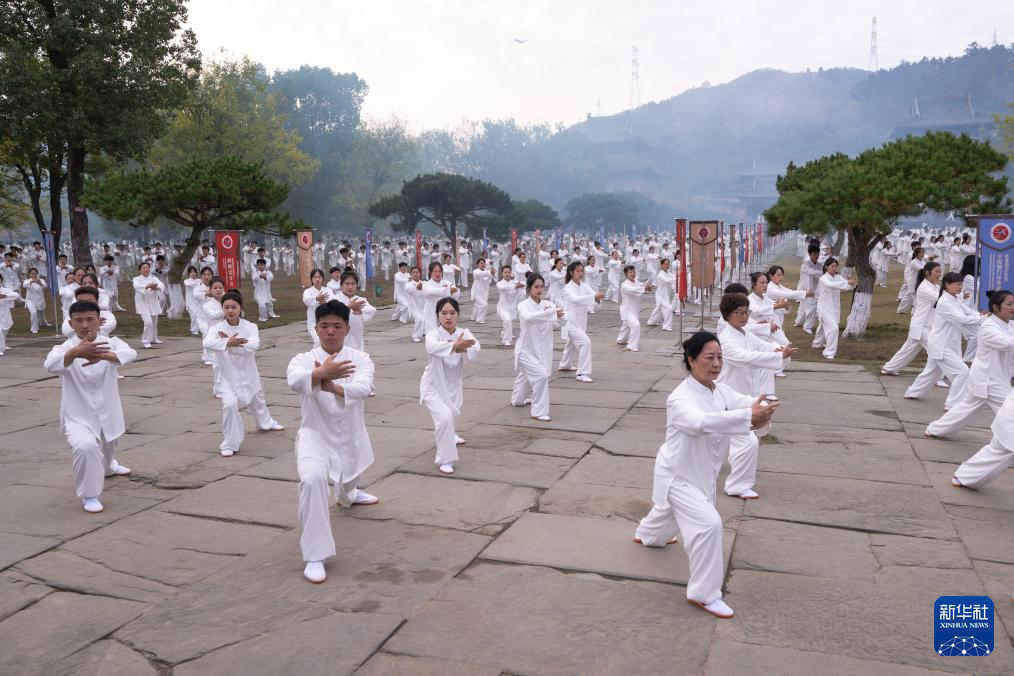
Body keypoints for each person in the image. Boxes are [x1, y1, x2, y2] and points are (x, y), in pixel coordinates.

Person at [634, 331, 778, 619]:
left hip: (701, 474)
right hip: (677, 476)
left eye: (720, 358)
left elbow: (744, 401)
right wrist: (747, 418)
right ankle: (704, 594)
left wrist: (760, 406)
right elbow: (699, 422)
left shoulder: (720, 390)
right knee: (709, 525)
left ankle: (647, 534)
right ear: (691, 360)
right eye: (709, 358)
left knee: (665, 518)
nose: (716, 364)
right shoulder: (679, 398)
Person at [286, 301, 379, 584]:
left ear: (347, 329)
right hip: (315, 436)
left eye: (337, 326)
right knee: (313, 479)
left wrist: (333, 386)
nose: (330, 332)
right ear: (315, 329)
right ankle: (315, 554)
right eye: (324, 326)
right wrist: (317, 375)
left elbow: (364, 387)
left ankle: (349, 494)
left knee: (349, 478)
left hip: (350, 434)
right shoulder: (303, 359)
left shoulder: (360, 358)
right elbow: (293, 380)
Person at [43, 300, 137, 513]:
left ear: (98, 321)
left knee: (108, 447)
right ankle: (90, 495)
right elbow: (49, 364)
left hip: (108, 411)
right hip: (78, 415)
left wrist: (104, 355)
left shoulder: (110, 342)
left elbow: (131, 353)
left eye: (90, 319)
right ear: (71, 323)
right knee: (86, 447)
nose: (85, 325)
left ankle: (110, 465)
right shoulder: (64, 348)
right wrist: (75, 353)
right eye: (79, 320)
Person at [716, 293, 793, 498]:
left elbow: (762, 346)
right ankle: (736, 485)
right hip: (725, 399)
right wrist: (776, 357)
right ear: (727, 315)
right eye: (738, 313)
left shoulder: (744, 334)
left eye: (745, 312)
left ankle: (737, 483)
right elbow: (746, 358)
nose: (743, 316)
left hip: (743, 396)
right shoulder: (725, 339)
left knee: (740, 441)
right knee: (743, 441)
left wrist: (779, 349)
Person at [204, 291, 284, 456]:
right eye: (226, 307)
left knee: (257, 399)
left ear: (240, 308)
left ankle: (266, 423)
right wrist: (227, 342)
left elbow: (253, 345)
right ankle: (230, 443)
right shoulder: (216, 328)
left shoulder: (250, 326)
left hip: (249, 373)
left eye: (234, 307)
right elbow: (207, 342)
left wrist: (232, 344)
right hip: (227, 377)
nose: (230, 310)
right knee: (230, 405)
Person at [926, 290, 1014, 438]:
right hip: (989, 380)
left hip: (994, 378)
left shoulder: (1009, 325)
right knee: (1010, 410)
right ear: (995, 307)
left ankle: (935, 429)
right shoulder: (988, 327)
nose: (1013, 307)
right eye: (1009, 304)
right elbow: (1008, 343)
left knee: (966, 409)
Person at [904, 272, 983, 408]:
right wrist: (983, 319)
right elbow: (962, 320)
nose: (960, 287)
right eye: (957, 284)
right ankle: (952, 404)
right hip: (941, 345)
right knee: (962, 372)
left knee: (931, 372)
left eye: (961, 284)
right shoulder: (945, 302)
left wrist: (980, 314)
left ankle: (913, 392)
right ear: (947, 285)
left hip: (946, 343)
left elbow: (965, 310)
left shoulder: (954, 298)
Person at [421, 297, 480, 475]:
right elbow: (432, 347)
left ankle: (450, 436)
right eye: (444, 313)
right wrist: (455, 346)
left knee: (451, 414)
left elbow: (476, 348)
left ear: (458, 315)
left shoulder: (464, 332)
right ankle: (445, 459)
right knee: (445, 418)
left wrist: (464, 348)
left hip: (453, 383)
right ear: (437, 315)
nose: (448, 317)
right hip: (433, 385)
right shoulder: (432, 334)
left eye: (452, 313)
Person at [511, 273, 562, 422]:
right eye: (536, 287)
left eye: (541, 286)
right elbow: (528, 318)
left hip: (541, 350)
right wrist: (551, 313)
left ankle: (517, 399)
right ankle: (539, 411)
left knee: (525, 375)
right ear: (528, 288)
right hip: (525, 351)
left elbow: (560, 322)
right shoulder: (523, 305)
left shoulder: (548, 304)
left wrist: (561, 316)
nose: (539, 289)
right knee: (540, 376)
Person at [881, 262, 941, 376]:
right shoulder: (924, 288)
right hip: (921, 326)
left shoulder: (936, 287)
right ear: (927, 273)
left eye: (940, 272)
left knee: (907, 351)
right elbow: (941, 299)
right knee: (936, 350)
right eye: (937, 272)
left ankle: (889, 368)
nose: (939, 274)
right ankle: (936, 377)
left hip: (926, 325)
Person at [560, 260, 603, 383]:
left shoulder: (584, 286)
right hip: (570, 322)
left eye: (581, 271)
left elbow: (594, 299)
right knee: (585, 343)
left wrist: (598, 299)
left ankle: (565, 364)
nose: (580, 273)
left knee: (572, 344)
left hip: (581, 321)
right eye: (577, 271)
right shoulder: (567, 288)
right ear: (571, 273)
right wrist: (593, 298)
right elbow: (575, 299)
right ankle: (582, 373)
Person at [810, 258, 856, 360]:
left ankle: (817, 344)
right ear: (827, 267)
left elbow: (847, 287)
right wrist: (847, 283)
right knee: (834, 328)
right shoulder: (823, 279)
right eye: (832, 266)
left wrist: (851, 284)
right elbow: (831, 285)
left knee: (823, 327)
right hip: (824, 308)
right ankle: (829, 352)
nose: (834, 268)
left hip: (835, 308)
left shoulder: (838, 278)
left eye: (836, 266)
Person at [334, 271, 377, 352]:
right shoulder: (335, 299)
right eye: (347, 283)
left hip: (357, 337)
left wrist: (360, 311)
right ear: (341, 285)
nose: (350, 287)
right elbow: (331, 313)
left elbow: (371, 310)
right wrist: (348, 307)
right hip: (340, 338)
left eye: (353, 284)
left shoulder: (360, 299)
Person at [617, 265, 653, 352]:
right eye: (630, 272)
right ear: (626, 274)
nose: (632, 274)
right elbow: (633, 290)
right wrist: (644, 288)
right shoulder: (624, 285)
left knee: (626, 326)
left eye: (633, 272)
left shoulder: (637, 282)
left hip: (635, 310)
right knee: (635, 325)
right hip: (627, 311)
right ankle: (631, 345)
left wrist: (648, 286)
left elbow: (643, 286)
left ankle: (621, 340)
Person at [418, 262, 459, 335]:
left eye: (440, 271)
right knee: (433, 335)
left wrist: (453, 292)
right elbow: (429, 292)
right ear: (430, 273)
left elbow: (456, 292)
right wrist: (447, 290)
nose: (438, 274)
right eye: (435, 271)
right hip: (431, 312)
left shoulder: (447, 283)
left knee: (445, 335)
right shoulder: (426, 285)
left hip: (444, 311)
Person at [132, 262, 165, 349]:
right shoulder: (136, 279)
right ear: (140, 270)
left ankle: (154, 338)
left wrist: (156, 287)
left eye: (147, 268)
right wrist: (147, 286)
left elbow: (161, 285)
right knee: (148, 322)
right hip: (142, 304)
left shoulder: (153, 278)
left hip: (153, 302)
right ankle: (146, 341)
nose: (146, 269)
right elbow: (137, 286)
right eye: (144, 268)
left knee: (154, 322)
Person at [793, 244, 822, 333]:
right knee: (811, 308)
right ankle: (807, 326)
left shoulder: (819, 265)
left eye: (818, 254)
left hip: (813, 289)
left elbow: (819, 275)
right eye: (814, 254)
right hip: (805, 289)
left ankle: (799, 322)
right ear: (809, 254)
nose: (816, 256)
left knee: (802, 307)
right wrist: (825, 272)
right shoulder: (805, 264)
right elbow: (812, 272)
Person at [302, 268, 335, 346]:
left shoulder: (328, 290)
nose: (317, 279)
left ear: (322, 278)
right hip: (313, 323)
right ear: (311, 279)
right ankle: (314, 357)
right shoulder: (308, 291)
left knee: (326, 342)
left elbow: (333, 301)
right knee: (318, 341)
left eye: (319, 277)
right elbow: (306, 300)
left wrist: (325, 302)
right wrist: (316, 298)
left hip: (327, 322)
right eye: (315, 277)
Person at [495, 265, 524, 346]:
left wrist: (521, 285)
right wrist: (515, 286)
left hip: (512, 308)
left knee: (509, 321)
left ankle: (504, 332)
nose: (507, 274)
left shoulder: (514, 281)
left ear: (511, 273)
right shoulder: (499, 283)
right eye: (505, 272)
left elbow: (523, 285)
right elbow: (504, 288)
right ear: (502, 274)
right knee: (507, 320)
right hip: (502, 308)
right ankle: (506, 340)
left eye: (509, 272)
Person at [646, 258, 677, 331]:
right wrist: (676, 278)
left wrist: (678, 277)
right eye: (665, 264)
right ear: (661, 265)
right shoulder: (660, 274)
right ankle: (666, 326)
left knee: (658, 310)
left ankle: (651, 322)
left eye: (668, 264)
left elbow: (673, 277)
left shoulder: (668, 273)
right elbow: (667, 280)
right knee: (669, 309)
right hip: (660, 297)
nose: (667, 266)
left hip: (665, 296)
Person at [22, 268, 48, 334]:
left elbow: (45, 286)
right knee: (33, 312)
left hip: (39, 300)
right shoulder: (27, 281)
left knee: (41, 313)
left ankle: (43, 323)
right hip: (30, 300)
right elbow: (24, 285)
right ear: (30, 274)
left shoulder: (41, 280)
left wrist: (39, 283)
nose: (34, 274)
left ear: (37, 274)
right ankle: (34, 328)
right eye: (32, 273)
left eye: (35, 273)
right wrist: (31, 282)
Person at [405, 266, 426, 342]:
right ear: (411, 274)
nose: (415, 274)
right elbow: (408, 290)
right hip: (413, 307)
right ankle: (415, 335)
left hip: (423, 306)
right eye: (413, 272)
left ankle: (424, 332)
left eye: (417, 272)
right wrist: (417, 287)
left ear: (420, 274)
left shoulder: (424, 283)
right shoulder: (409, 284)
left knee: (425, 319)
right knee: (419, 319)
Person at [470, 258, 493, 324]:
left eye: (484, 263)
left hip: (484, 292)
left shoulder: (487, 271)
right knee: (484, 305)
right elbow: (478, 275)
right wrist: (488, 272)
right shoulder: (475, 271)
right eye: (481, 263)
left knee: (477, 305)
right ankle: (479, 319)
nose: (483, 264)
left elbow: (490, 278)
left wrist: (492, 273)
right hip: (476, 292)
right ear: (478, 264)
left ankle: (473, 317)